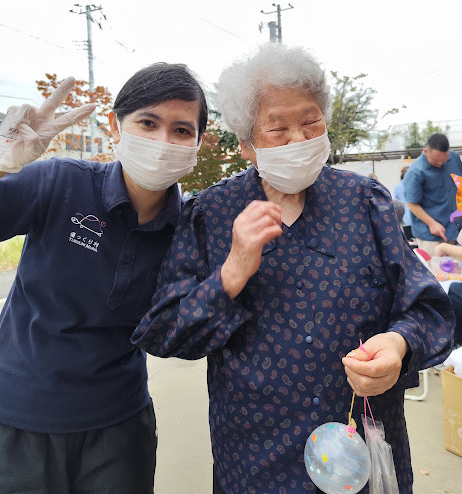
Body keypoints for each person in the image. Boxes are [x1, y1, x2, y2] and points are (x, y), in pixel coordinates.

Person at [132, 44, 454, 494]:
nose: (299, 140)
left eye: (310, 122)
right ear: (247, 145)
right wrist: (231, 274)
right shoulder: (210, 214)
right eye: (278, 128)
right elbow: (164, 331)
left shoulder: (365, 203)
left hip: (361, 460)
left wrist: (399, 345)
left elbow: (431, 309)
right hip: (255, 463)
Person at [0, 64, 207, 494]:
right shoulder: (59, 182)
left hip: (119, 428)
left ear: (197, 144)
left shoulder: (188, 228)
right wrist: (1, 164)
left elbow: (180, 326)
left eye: (182, 130)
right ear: (115, 126)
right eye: (147, 123)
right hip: (17, 418)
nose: (162, 141)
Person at [403, 133, 462, 256]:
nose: (440, 163)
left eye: (444, 159)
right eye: (435, 160)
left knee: (455, 267)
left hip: (454, 229)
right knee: (435, 267)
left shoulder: (454, 158)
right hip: (431, 234)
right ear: (425, 151)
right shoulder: (416, 171)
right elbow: (411, 203)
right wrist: (431, 223)